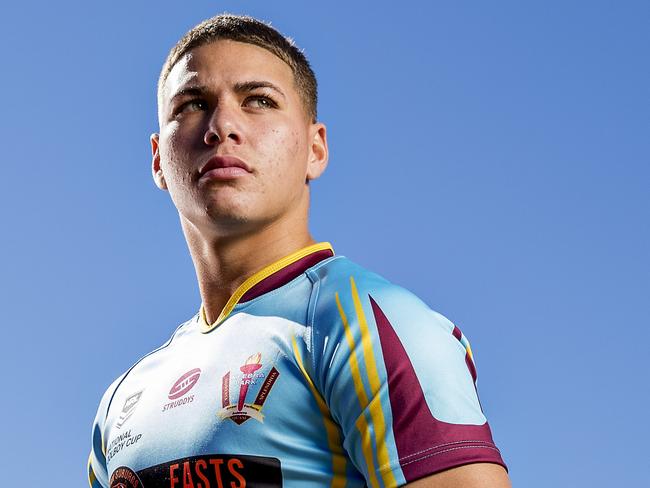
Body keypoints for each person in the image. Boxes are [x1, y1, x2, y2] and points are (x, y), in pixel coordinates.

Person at [88, 13, 510, 488]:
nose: (223, 125)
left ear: (316, 149)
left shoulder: (367, 321)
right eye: (191, 104)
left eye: (259, 101)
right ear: (157, 159)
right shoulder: (124, 399)